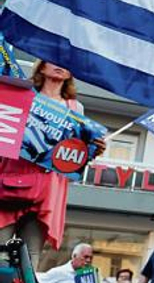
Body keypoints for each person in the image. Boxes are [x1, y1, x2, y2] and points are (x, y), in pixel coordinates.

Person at [0, 61, 103, 260]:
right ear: (41, 67)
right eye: (53, 60)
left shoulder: (76, 108)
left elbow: (75, 155)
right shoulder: (22, 96)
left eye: (66, 62)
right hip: (11, 182)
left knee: (29, 258)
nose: (60, 65)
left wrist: (93, 150)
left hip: (48, 189)